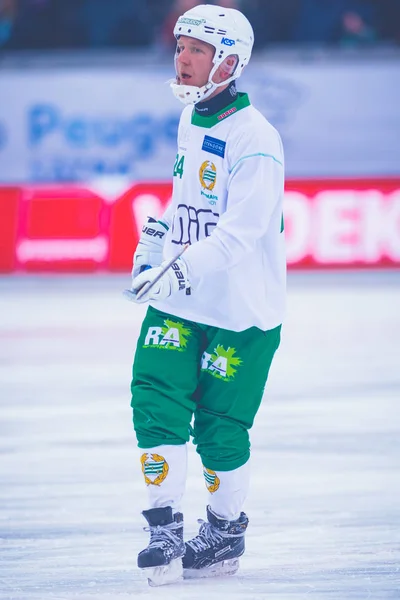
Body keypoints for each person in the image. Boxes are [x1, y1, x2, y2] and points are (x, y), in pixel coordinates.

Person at [126, 3, 286, 587]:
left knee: (220, 426)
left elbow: (239, 233)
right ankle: (163, 525)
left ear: (230, 62)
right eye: (180, 46)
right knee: (154, 396)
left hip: (241, 312)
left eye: (198, 50)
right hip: (181, 299)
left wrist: (178, 269)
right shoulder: (190, 118)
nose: (183, 58)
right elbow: (187, 205)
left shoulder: (257, 139)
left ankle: (224, 530)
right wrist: (154, 242)